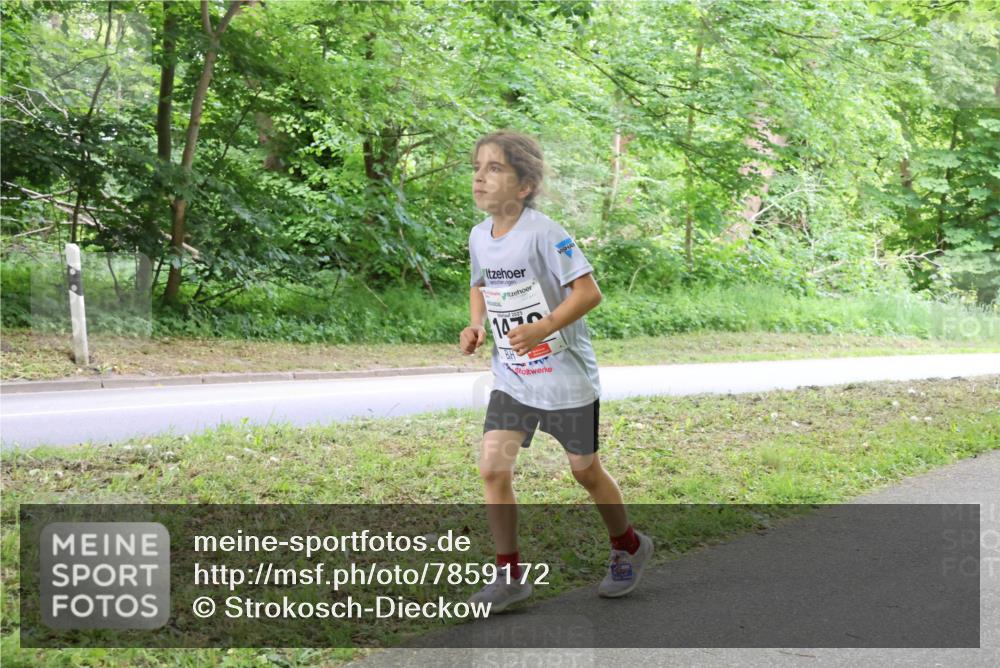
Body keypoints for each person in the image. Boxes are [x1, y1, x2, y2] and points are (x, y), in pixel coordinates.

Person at [460, 129, 653, 613]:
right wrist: (476, 325)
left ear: (524, 186)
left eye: (494, 169)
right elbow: (480, 284)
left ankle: (628, 545)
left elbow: (589, 294)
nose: (480, 178)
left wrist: (543, 327)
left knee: (584, 472)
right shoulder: (479, 236)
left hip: (564, 377)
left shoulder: (547, 233)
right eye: (477, 168)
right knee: (492, 467)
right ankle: (510, 577)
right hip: (513, 377)